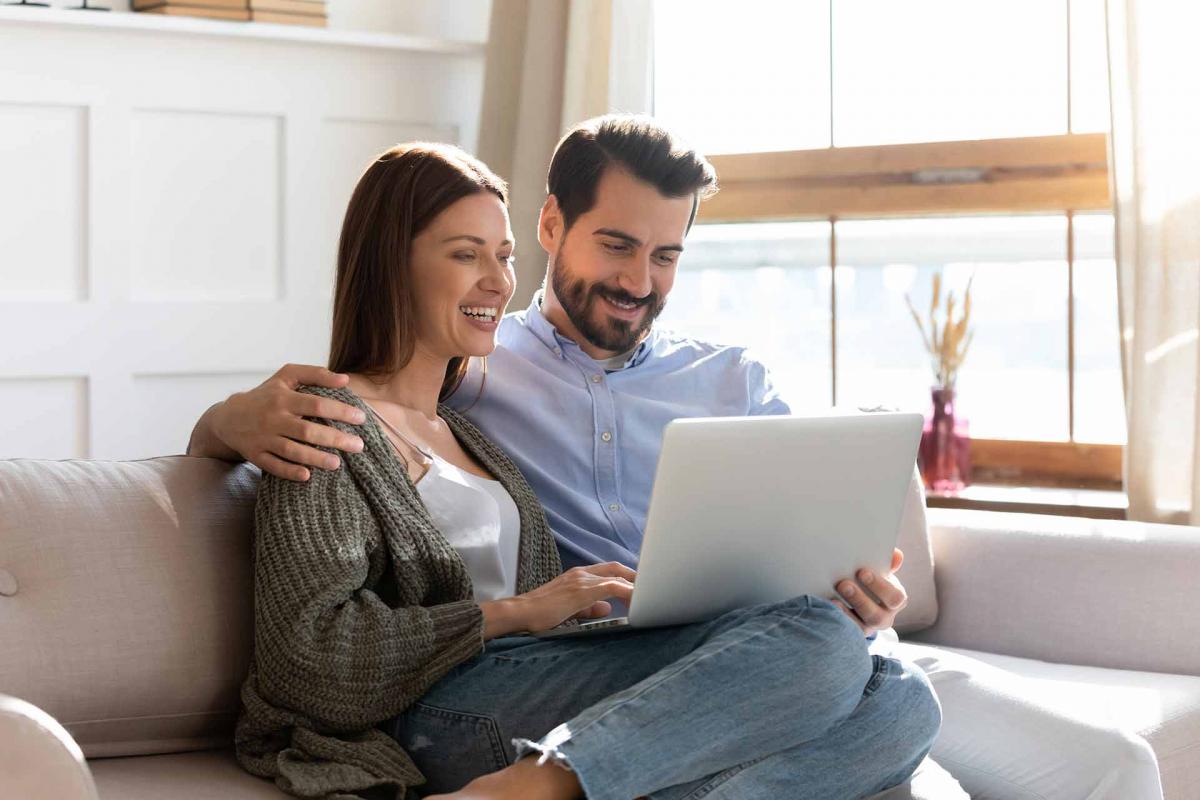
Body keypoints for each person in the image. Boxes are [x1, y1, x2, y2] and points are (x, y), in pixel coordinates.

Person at [198, 115, 1162, 799]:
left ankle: (595, 784)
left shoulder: (494, 415)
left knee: (900, 694)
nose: (637, 280)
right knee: (840, 664)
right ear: (554, 227)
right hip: (502, 691)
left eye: (665, 256)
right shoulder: (412, 399)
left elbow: (826, 549)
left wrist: (858, 586)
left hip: (723, 665)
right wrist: (222, 424)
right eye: (468, 255)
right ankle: (545, 787)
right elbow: (309, 650)